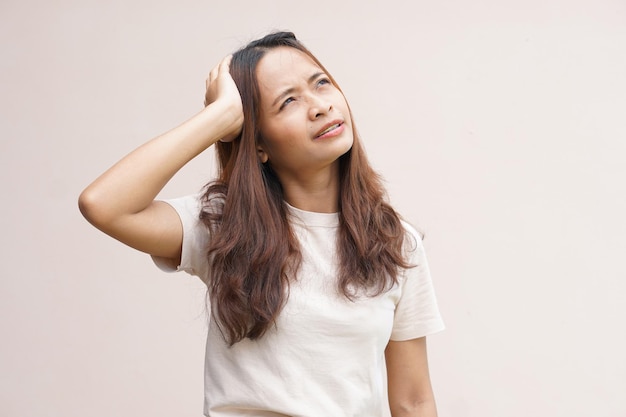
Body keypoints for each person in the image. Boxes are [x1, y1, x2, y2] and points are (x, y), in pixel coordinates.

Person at [79, 31, 445, 417]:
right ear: (258, 145)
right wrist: (217, 118)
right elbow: (103, 205)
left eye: (321, 83)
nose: (319, 106)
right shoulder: (224, 225)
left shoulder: (394, 241)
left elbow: (413, 400)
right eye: (288, 101)